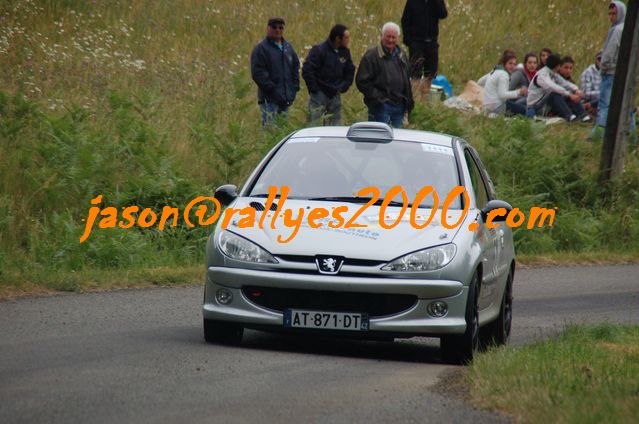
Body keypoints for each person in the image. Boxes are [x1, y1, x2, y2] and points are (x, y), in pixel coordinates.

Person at [356, 22, 414, 128]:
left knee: (396, 140)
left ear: (397, 38)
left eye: (393, 37)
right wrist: (379, 98)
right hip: (380, 107)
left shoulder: (401, 55)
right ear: (382, 36)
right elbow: (362, 81)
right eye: (388, 36)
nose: (391, 40)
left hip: (399, 106)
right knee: (377, 138)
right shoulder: (372, 56)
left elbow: (407, 79)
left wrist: (408, 102)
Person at [250, 17, 300, 126]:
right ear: (268, 28)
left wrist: (294, 87)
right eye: (274, 27)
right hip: (269, 100)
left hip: (285, 99)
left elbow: (295, 66)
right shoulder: (261, 49)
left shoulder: (288, 48)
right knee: (270, 132)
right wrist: (272, 89)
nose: (277, 30)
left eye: (280, 27)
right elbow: (257, 72)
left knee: (282, 133)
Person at [302, 24, 355, 126]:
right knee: (313, 124)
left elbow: (350, 70)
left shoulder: (345, 52)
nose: (348, 40)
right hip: (319, 94)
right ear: (338, 39)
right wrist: (314, 89)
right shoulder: (319, 50)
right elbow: (307, 69)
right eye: (346, 37)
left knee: (335, 126)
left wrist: (344, 86)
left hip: (335, 94)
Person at [401, 0, 448, 99]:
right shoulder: (412, 2)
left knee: (430, 73)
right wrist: (409, 41)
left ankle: (425, 99)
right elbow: (405, 20)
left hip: (432, 42)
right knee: (415, 73)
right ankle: (414, 99)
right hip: (416, 42)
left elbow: (443, 14)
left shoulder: (435, 2)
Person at [527, 54, 590, 122]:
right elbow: (552, 87)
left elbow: (564, 83)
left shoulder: (552, 73)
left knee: (569, 94)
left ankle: (584, 116)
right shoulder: (541, 76)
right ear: (557, 66)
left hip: (546, 104)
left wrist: (576, 90)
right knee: (555, 94)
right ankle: (569, 116)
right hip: (536, 106)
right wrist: (569, 94)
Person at [595, 1, 627, 131]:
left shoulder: (616, 30)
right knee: (625, 105)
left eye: (614, 13)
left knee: (604, 104)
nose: (611, 17)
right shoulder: (630, 28)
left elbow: (609, 52)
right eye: (610, 14)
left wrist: (603, 67)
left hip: (611, 72)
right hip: (625, 73)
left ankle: (599, 132)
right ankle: (629, 133)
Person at [483, 51, 527, 116]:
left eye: (514, 64)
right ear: (504, 64)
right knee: (524, 110)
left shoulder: (494, 71)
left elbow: (479, 82)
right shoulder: (504, 74)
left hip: (487, 105)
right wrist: (519, 92)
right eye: (510, 63)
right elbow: (502, 95)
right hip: (498, 106)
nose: (512, 66)